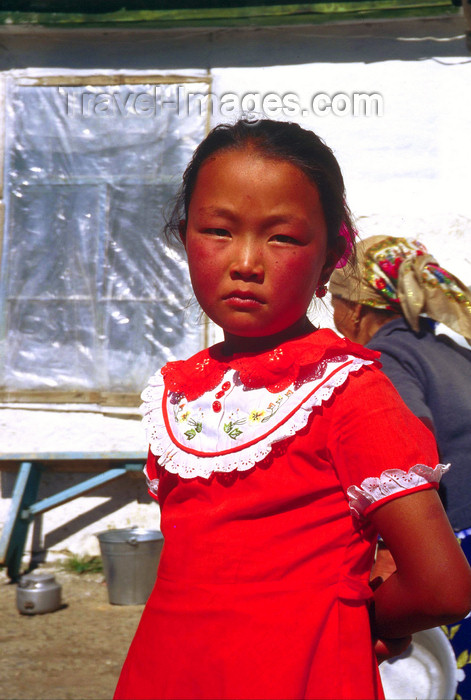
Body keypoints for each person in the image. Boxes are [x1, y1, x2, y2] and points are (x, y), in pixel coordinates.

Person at [114, 120, 471, 700]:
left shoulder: (349, 394)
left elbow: (442, 587)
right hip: (171, 671)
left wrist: (360, 618)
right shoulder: (179, 394)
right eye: (218, 231)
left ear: (334, 253)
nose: (246, 261)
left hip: (299, 674)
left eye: (282, 237)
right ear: (184, 237)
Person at [329, 234, 471, 697]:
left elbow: (408, 452)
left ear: (357, 308)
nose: (334, 316)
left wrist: (391, 549)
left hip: (448, 551)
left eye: (335, 301)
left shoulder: (390, 357)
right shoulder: (454, 353)